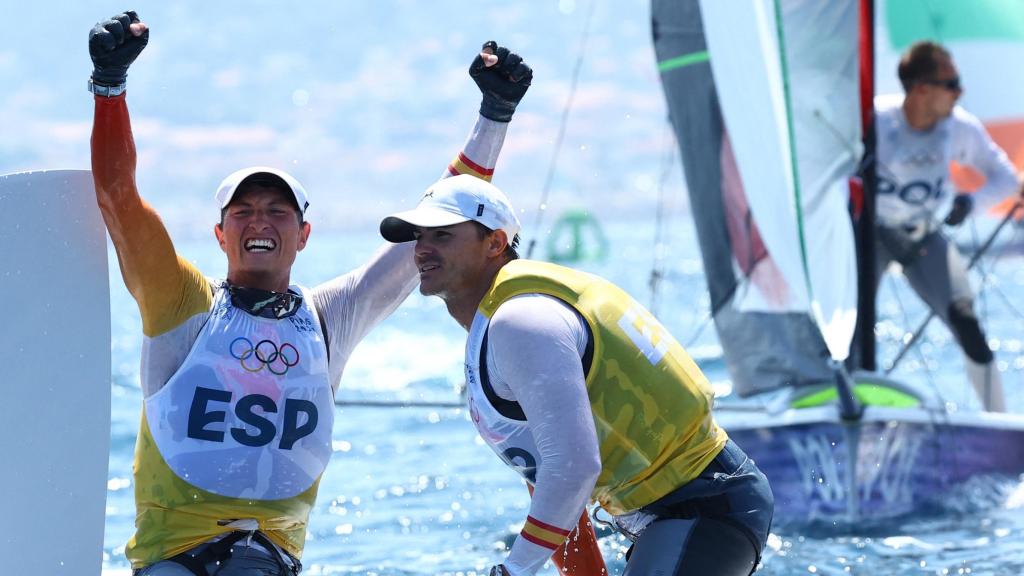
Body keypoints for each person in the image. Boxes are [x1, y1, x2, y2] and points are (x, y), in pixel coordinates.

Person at [88, 11, 535, 575]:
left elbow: (439, 217)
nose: (260, 223)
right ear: (219, 234)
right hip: (174, 558)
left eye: (278, 212)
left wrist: (494, 115)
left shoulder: (330, 319)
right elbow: (118, 196)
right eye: (243, 212)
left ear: (303, 235)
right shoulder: (181, 301)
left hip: (271, 562)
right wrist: (110, 86)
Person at [378, 179, 775, 575]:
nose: (422, 250)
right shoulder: (499, 326)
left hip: (707, 504)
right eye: (418, 237)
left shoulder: (522, 321)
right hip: (672, 515)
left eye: (442, 236)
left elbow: (575, 467)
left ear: (496, 243)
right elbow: (551, 480)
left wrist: (515, 569)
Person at [874, 40, 1024, 412]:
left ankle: (1000, 425)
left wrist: (969, 204)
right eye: (952, 83)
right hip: (869, 236)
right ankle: (852, 410)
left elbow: (1007, 180)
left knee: (966, 321)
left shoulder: (960, 128)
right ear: (923, 90)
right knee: (851, 329)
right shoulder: (874, 120)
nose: (961, 91)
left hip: (923, 236)